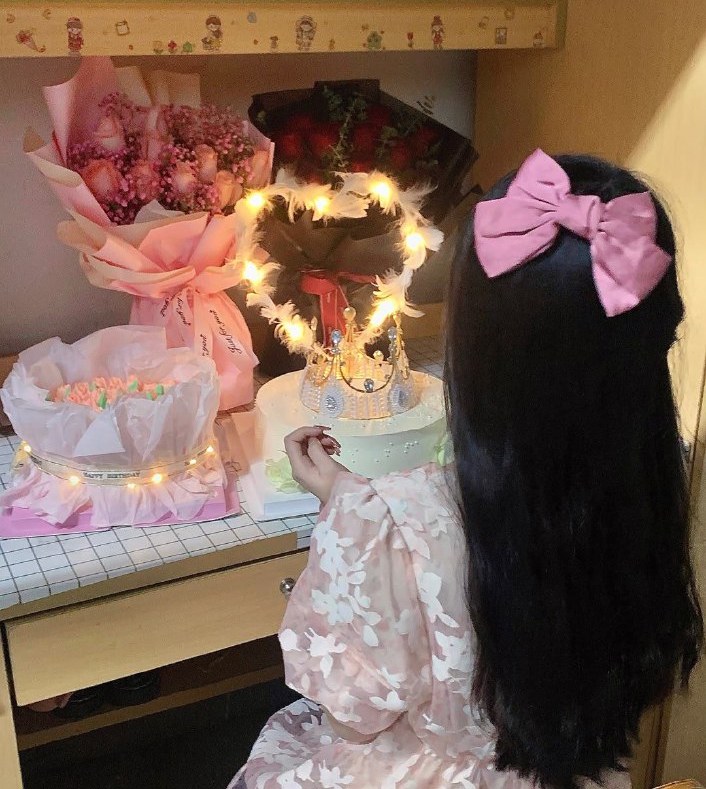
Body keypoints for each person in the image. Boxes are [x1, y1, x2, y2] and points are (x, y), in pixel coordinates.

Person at [228, 151, 703, 789]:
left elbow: (352, 718)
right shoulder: (649, 496)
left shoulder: (388, 525)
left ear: (475, 348)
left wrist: (352, 517)